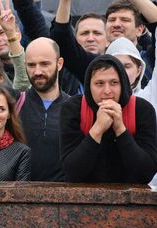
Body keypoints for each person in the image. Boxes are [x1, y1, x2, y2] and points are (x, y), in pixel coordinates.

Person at [0, 9, 69, 182]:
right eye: (31, 65)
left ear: (59, 64)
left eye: (44, 64)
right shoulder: (16, 101)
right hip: (18, 198)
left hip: (61, 200)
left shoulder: (74, 107)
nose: (37, 71)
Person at [60, 55, 157, 183]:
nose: (107, 91)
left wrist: (120, 129)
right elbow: (72, 172)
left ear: (123, 84)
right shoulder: (73, 108)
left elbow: (145, 174)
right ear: (89, 86)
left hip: (130, 199)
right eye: (99, 83)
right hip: (84, 199)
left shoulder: (142, 109)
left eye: (114, 83)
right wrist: (97, 129)